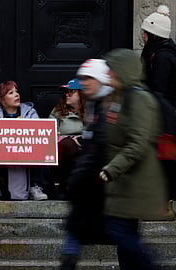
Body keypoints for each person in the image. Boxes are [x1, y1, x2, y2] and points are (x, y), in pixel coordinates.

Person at [101, 48, 167, 270]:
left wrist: (112, 168)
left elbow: (138, 141)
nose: (108, 75)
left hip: (136, 181)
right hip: (123, 182)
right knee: (124, 234)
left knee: (120, 231)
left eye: (111, 70)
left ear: (122, 71)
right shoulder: (119, 98)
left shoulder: (139, 98)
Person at [59, 59, 113, 269]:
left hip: (101, 183)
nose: (84, 84)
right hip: (88, 184)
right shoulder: (95, 105)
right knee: (74, 230)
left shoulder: (108, 107)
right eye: (82, 79)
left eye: (88, 78)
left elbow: (100, 146)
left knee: (124, 237)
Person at [140, 4, 176, 219]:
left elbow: (158, 91)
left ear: (153, 34)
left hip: (161, 120)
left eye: (145, 33)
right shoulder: (165, 55)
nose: (142, 36)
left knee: (160, 163)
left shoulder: (161, 59)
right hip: (164, 118)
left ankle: (163, 205)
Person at [0, 80, 49, 201]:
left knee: (43, 142)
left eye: (16, 92)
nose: (16, 95)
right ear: (2, 99)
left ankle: (35, 186)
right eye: (11, 93)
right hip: (1, 157)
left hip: (26, 154)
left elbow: (36, 132)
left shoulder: (30, 112)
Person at [48, 78, 86, 198]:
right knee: (67, 144)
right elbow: (49, 130)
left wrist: (79, 139)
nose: (67, 95)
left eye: (71, 92)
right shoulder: (58, 111)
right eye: (66, 92)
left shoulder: (91, 111)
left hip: (84, 148)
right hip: (63, 148)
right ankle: (63, 185)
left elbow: (96, 132)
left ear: (81, 94)